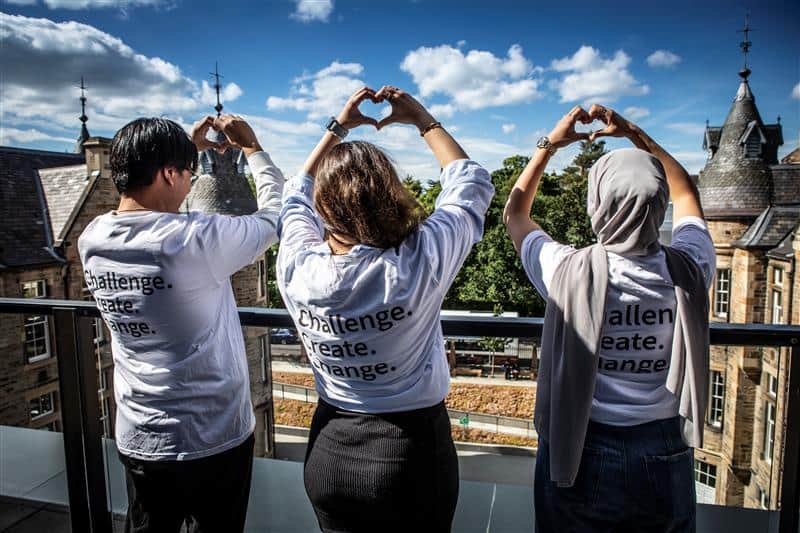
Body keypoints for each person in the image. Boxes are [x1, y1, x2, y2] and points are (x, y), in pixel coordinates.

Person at [276, 85, 494, 532]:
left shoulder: (298, 266)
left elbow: (293, 195)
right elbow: (470, 183)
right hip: (411, 451)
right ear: (391, 193)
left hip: (329, 449)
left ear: (323, 208)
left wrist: (337, 128)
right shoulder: (417, 262)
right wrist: (422, 119)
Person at [504, 105, 715, 532]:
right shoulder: (691, 268)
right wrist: (636, 134)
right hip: (664, 442)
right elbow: (688, 194)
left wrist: (549, 145)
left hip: (581, 444)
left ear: (597, 204)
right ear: (658, 205)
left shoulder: (566, 270)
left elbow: (515, 214)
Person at [78, 114, 284, 532]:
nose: (190, 184)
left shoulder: (93, 238)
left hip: (140, 433)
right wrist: (253, 149)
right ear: (169, 174)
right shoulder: (194, 240)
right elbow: (276, 215)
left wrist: (186, 149)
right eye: (187, 174)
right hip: (212, 435)